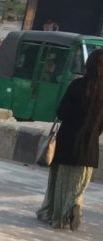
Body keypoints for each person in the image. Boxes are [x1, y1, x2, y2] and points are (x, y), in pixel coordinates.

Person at [37, 49, 103, 231]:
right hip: (89, 149)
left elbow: (61, 112)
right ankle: (74, 207)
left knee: (60, 184)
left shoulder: (77, 85)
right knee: (77, 186)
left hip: (67, 144)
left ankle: (57, 216)